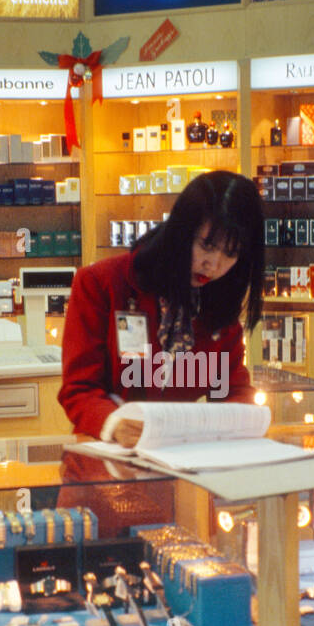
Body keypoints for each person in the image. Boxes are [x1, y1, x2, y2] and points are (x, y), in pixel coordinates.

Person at [58, 170, 265, 447]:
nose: (213, 265)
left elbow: (231, 389)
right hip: (107, 459)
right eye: (206, 245)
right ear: (181, 231)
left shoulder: (218, 304)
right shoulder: (101, 283)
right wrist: (114, 423)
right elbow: (79, 389)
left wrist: (245, 417)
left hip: (181, 468)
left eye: (230, 254)